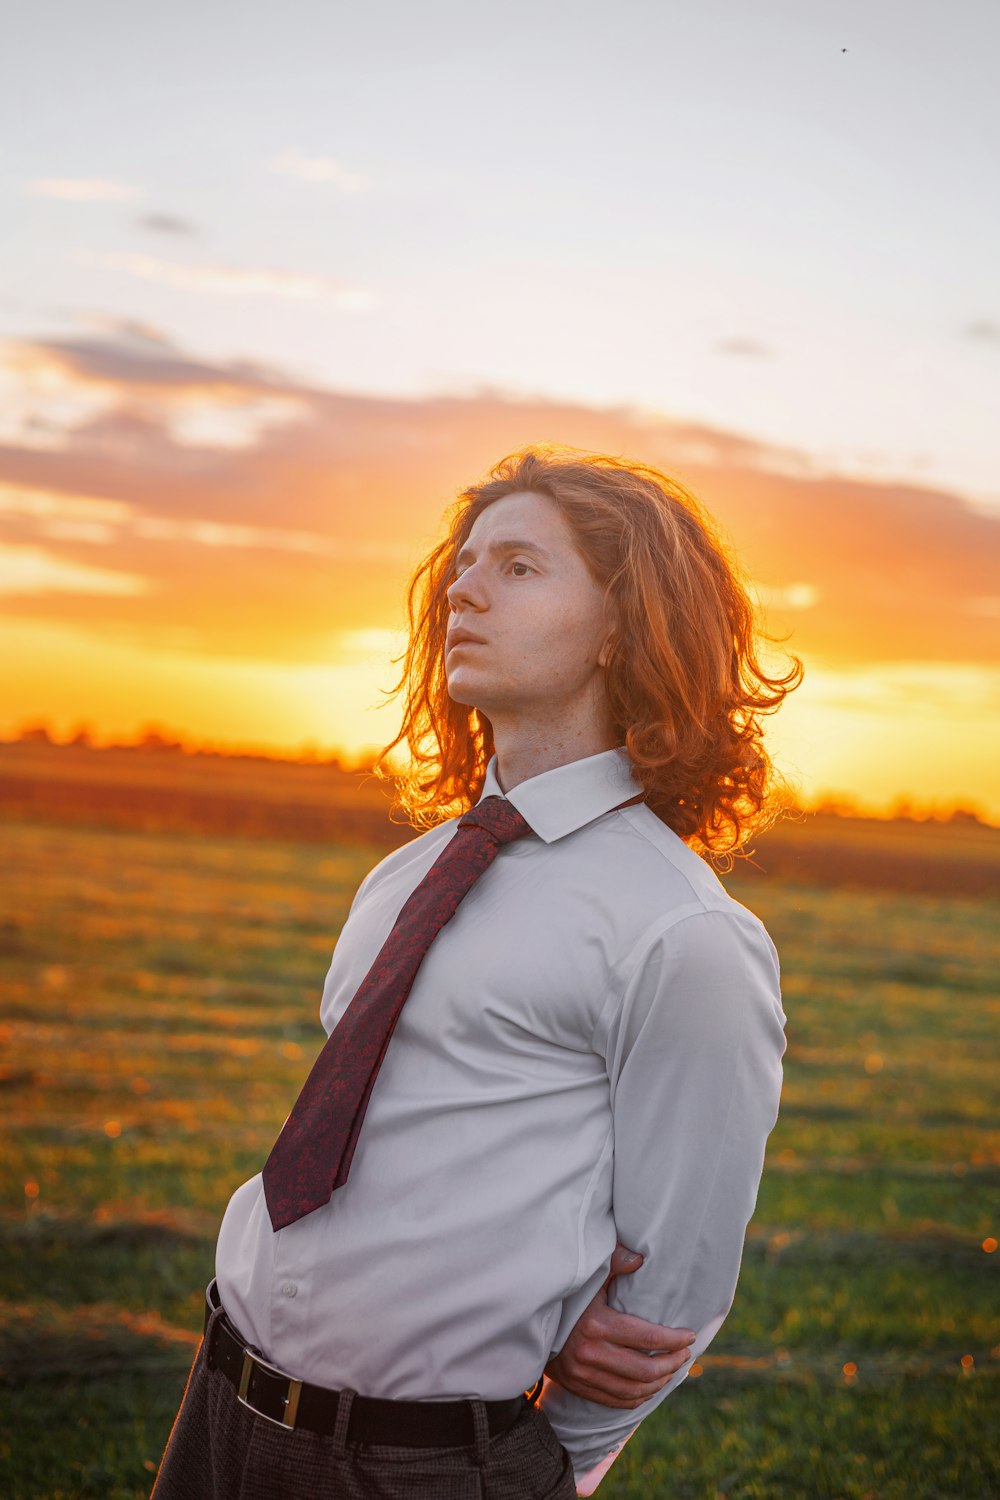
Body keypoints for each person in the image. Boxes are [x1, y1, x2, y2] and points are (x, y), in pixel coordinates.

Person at [153, 445, 799, 1499]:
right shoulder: (409, 872)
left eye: (518, 566)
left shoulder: (680, 933)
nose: (462, 587)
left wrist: (547, 1462)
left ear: (622, 627)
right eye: (463, 563)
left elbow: (674, 1283)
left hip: (426, 1466)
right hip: (219, 1407)